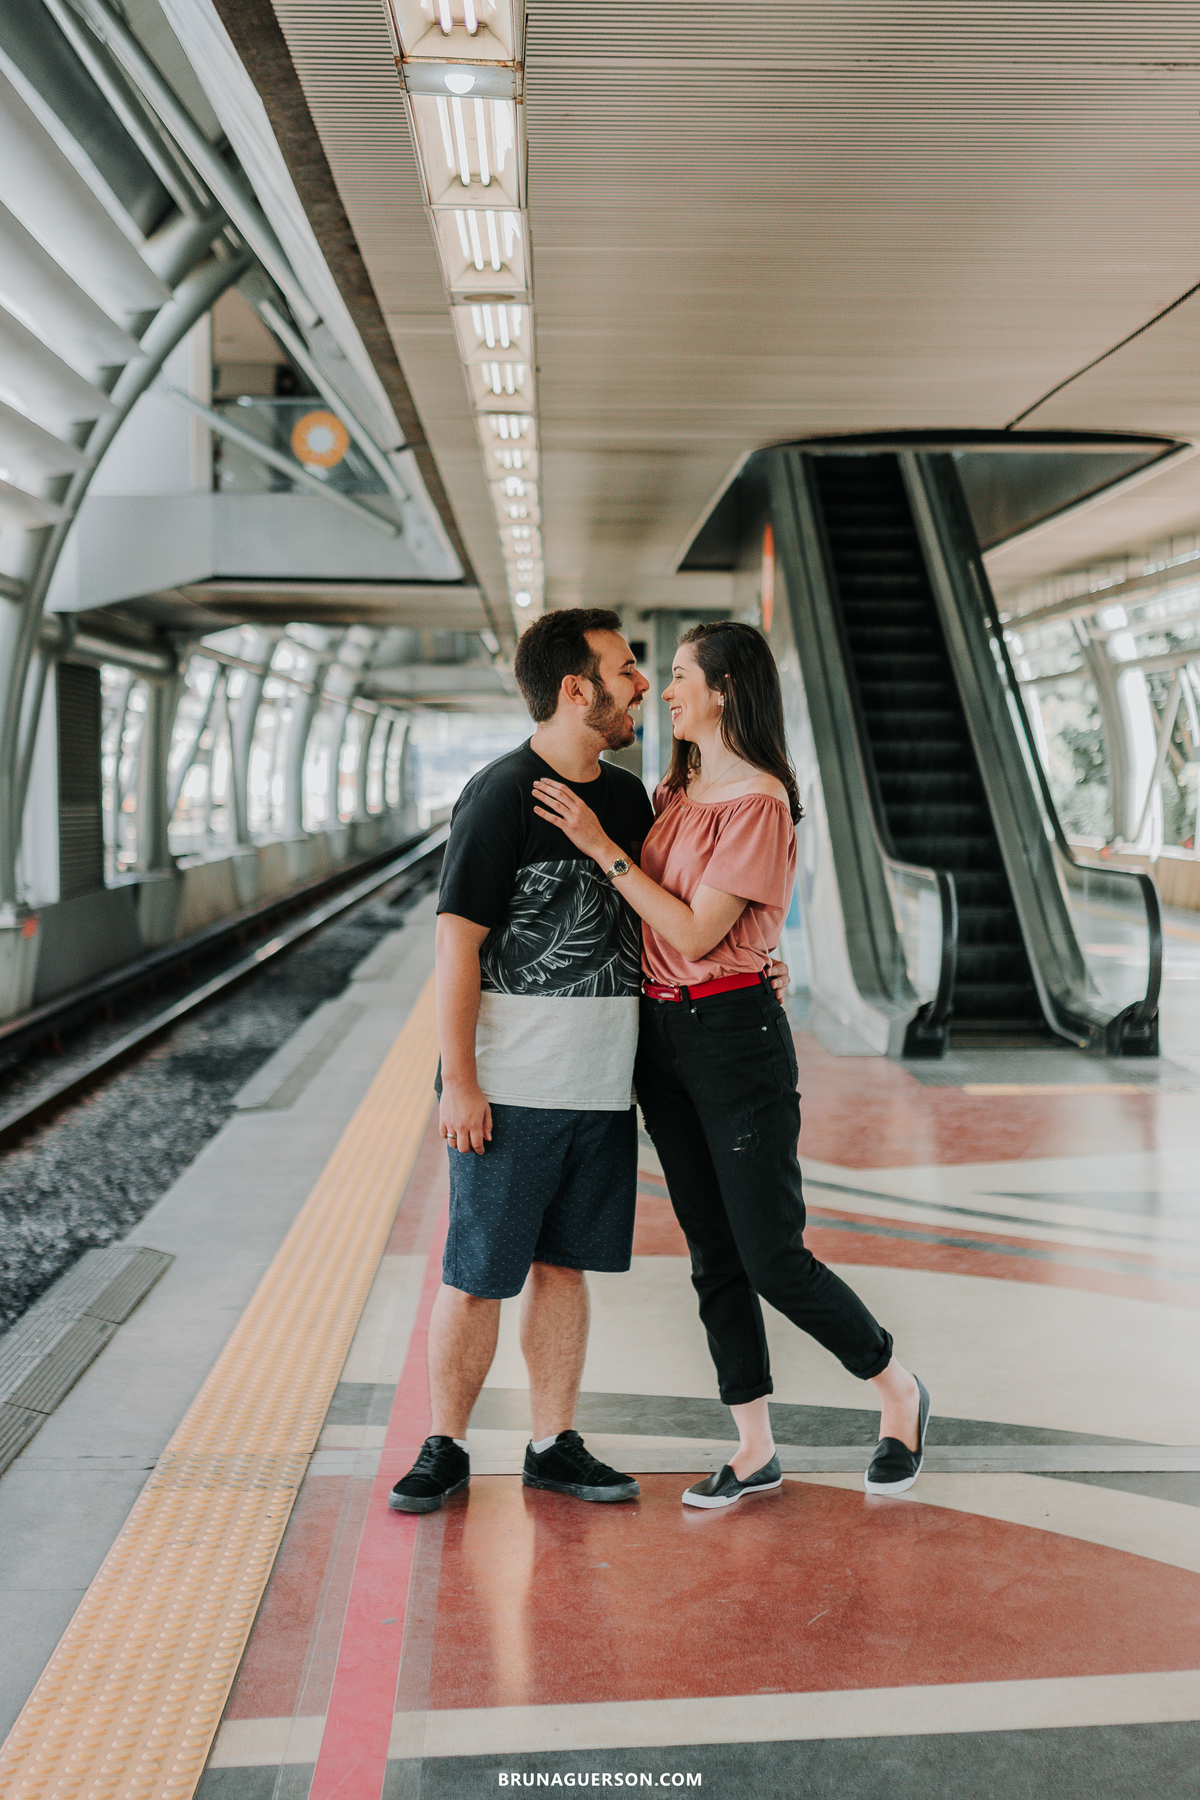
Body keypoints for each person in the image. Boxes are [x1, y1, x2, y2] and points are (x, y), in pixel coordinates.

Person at [532, 620, 930, 1508]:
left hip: (733, 1040)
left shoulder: (759, 802)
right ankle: (753, 1448)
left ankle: (897, 1392)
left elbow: (695, 930)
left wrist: (603, 847)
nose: (662, 690)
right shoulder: (677, 788)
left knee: (771, 1256)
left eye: (677, 676)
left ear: (724, 691)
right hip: (663, 1041)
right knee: (712, 1252)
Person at [388, 609, 655, 1513]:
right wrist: (458, 1079)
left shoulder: (628, 801)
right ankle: (445, 1444)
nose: (640, 685)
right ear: (577, 689)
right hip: (509, 1088)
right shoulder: (501, 793)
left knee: (565, 1267)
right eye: (625, 670)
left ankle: (553, 1442)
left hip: (600, 1084)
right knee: (476, 1274)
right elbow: (455, 945)